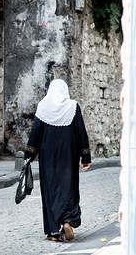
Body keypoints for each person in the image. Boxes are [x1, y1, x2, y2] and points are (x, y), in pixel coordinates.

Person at [24, 79, 91, 242]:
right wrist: (85, 157)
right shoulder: (73, 106)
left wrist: (29, 155)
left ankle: (53, 232)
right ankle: (67, 220)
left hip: (48, 159)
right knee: (68, 188)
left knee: (50, 191)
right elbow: (81, 132)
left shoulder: (43, 107)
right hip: (69, 156)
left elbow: (35, 134)